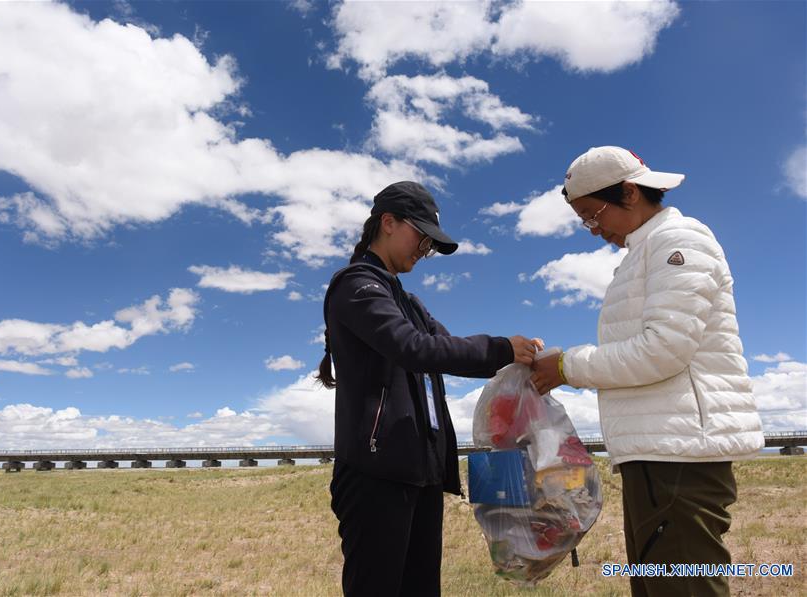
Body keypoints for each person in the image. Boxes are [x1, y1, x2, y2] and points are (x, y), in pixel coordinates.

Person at [530, 146, 764, 597]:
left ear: (631, 192)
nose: (593, 229)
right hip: (660, 450)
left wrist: (565, 366)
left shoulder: (679, 241)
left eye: (592, 214)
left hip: (679, 454)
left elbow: (664, 350)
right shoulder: (644, 251)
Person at [318, 181, 542, 596]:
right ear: (388, 223)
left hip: (419, 472)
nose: (425, 249)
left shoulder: (409, 301)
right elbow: (413, 348)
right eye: (421, 236)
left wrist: (518, 360)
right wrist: (500, 348)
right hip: (374, 473)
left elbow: (446, 350)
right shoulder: (356, 286)